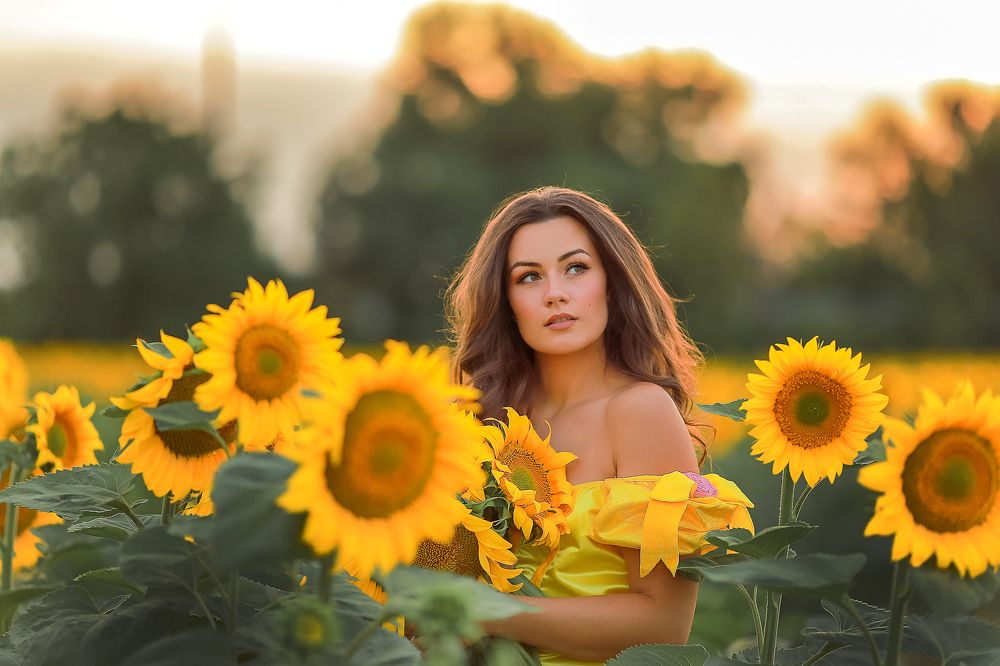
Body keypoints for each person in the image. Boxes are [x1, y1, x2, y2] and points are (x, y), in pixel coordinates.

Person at [444, 186, 753, 665]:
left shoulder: (640, 412)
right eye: (528, 277)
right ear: (505, 300)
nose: (555, 293)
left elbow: (663, 628)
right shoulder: (485, 421)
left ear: (612, 281)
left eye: (576, 268)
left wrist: (490, 612)